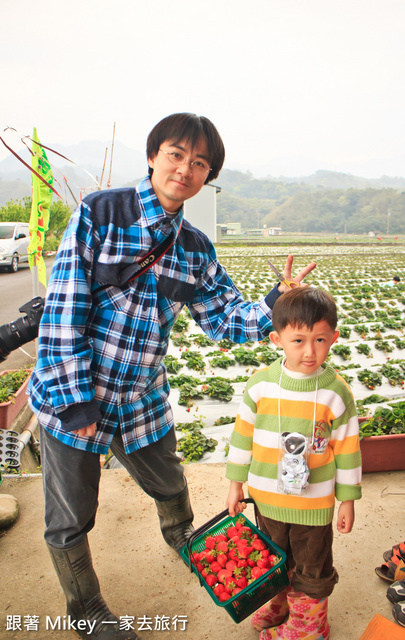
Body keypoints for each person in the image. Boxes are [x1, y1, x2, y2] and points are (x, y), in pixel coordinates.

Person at [27, 112, 316, 640]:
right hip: (76, 398)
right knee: (70, 518)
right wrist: (75, 405)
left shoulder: (195, 248)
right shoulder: (100, 214)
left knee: (169, 483)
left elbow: (227, 317)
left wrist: (278, 302)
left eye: (200, 162)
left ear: (208, 176)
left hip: (141, 400)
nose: (185, 168)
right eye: (177, 154)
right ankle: (86, 609)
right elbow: (63, 310)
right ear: (154, 154)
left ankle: (184, 538)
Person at [226, 287, 362, 640]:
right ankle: (281, 604)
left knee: (312, 565)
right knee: (273, 558)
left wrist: (347, 499)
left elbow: (348, 449)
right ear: (277, 338)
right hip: (268, 499)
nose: (309, 351)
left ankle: (309, 627)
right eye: (298, 340)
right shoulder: (260, 386)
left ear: (334, 337)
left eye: (319, 339)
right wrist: (235, 485)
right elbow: (242, 438)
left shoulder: (336, 393)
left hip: (313, 503)